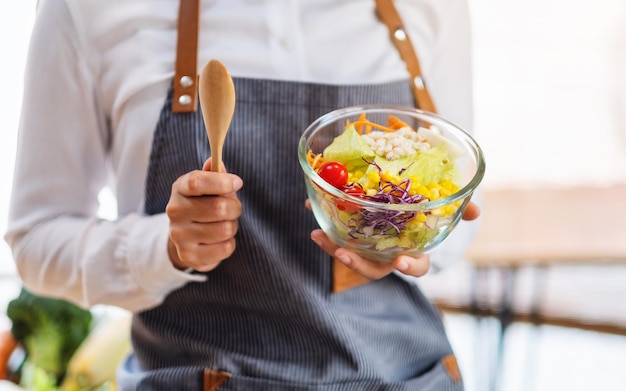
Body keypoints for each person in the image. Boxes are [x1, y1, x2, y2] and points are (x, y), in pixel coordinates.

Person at [5, 0, 480, 389]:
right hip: (201, 376)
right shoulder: (88, 11)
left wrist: (402, 242)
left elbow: (456, 218)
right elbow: (36, 241)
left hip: (405, 374)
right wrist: (165, 248)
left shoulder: (430, 8)